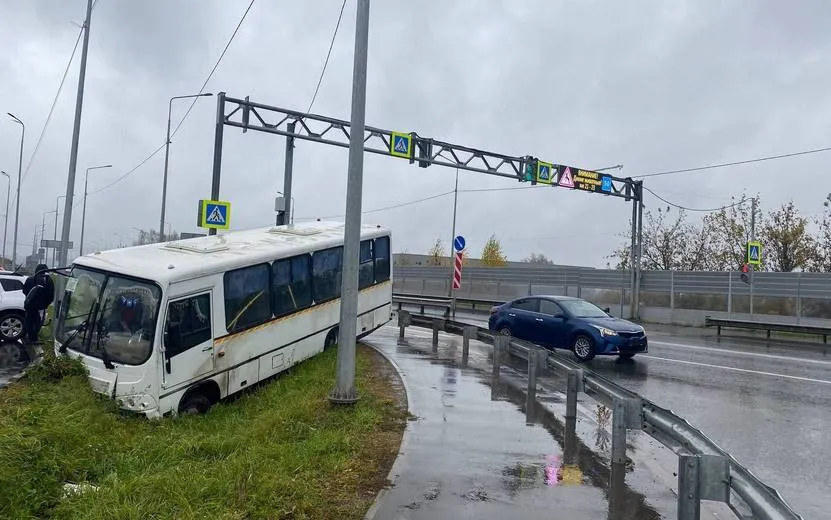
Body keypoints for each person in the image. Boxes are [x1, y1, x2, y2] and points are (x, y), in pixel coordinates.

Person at [22, 264, 55, 344]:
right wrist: (46, 304)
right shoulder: (48, 280)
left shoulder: (30, 279)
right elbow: (50, 295)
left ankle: (29, 336)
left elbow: (24, 291)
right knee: (38, 321)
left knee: (29, 320)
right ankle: (34, 338)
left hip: (29, 305)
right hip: (40, 306)